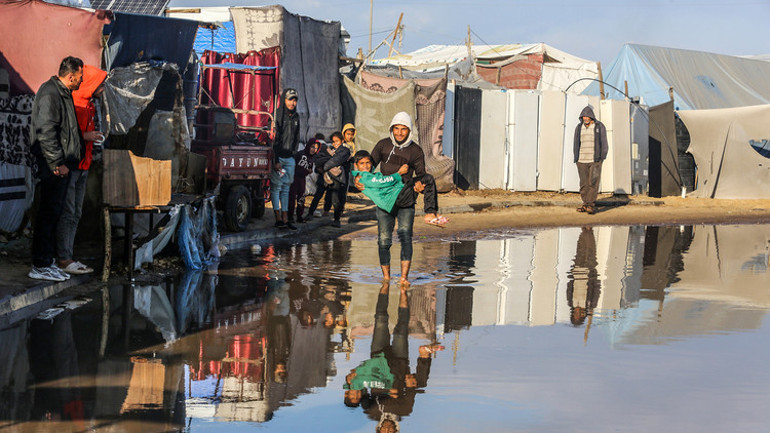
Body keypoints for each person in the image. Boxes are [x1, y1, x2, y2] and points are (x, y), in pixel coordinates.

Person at [360, 112, 438, 284]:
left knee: (405, 237)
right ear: (392, 128)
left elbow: (421, 174)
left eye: (404, 129)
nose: (400, 133)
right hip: (384, 200)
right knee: (383, 240)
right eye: (396, 128)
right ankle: (386, 278)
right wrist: (359, 179)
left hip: (406, 199)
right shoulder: (383, 145)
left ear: (409, 130)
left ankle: (403, 278)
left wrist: (420, 186)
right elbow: (368, 167)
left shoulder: (416, 150)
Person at [28, 56, 85, 282]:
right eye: (80, 77)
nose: (81, 81)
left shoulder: (62, 93)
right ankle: (40, 264)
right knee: (48, 213)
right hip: (52, 166)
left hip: (61, 165)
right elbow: (46, 132)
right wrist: (57, 163)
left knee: (54, 213)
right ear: (71, 76)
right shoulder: (50, 93)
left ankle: (47, 261)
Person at [56, 64, 107, 275]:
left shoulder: (89, 105)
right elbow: (63, 134)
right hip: (71, 165)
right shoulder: (74, 104)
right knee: (68, 212)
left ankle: (67, 255)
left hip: (82, 164)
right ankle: (63, 258)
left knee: (75, 212)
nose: (103, 87)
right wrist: (87, 136)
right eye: (100, 83)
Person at [351, 150, 445, 226]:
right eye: (362, 163)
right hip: (395, 198)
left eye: (367, 163)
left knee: (422, 182)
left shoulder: (366, 175)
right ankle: (430, 213)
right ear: (355, 165)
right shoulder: (364, 177)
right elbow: (383, 182)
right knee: (427, 179)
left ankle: (432, 213)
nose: (365, 166)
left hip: (397, 196)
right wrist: (399, 173)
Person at [271, 88, 301, 230]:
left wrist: (293, 156)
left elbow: (296, 138)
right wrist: (276, 160)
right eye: (290, 99)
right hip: (279, 158)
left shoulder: (296, 117)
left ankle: (285, 218)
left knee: (286, 188)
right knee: (276, 187)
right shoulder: (277, 115)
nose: (292, 103)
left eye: (294, 100)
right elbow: (274, 140)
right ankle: (277, 218)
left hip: (289, 159)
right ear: (284, 100)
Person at [573, 106, 608, 215]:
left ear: (591, 117)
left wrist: (602, 157)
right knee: (583, 184)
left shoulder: (599, 126)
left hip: (595, 160)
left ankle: (590, 205)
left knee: (593, 182)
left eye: (587, 116)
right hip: (581, 160)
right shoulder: (579, 127)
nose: (585, 118)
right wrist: (576, 157)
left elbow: (604, 142)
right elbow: (576, 143)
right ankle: (585, 204)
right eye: (584, 116)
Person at [288, 137, 320, 224]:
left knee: (301, 198)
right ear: (308, 146)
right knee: (292, 198)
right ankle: (290, 216)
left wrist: (309, 171)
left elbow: (309, 169)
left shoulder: (311, 159)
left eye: (316, 148)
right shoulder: (300, 154)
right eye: (312, 147)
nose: (314, 150)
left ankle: (299, 216)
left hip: (302, 179)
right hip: (294, 178)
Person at [322, 131, 351, 228]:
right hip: (331, 177)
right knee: (330, 195)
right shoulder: (331, 150)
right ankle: (327, 211)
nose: (335, 143)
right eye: (333, 141)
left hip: (340, 178)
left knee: (338, 198)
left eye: (337, 141)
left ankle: (337, 219)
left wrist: (324, 166)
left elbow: (335, 161)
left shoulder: (344, 151)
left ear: (342, 141)